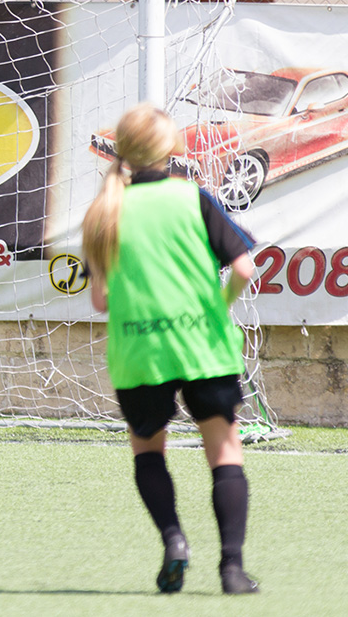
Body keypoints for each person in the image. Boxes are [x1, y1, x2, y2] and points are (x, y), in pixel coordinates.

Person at [82, 103, 259, 595]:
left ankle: (174, 539)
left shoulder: (104, 210)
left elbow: (100, 301)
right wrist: (218, 307)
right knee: (224, 451)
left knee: (148, 451)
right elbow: (243, 268)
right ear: (171, 148)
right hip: (203, 346)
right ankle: (232, 569)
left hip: (140, 350)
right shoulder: (192, 198)